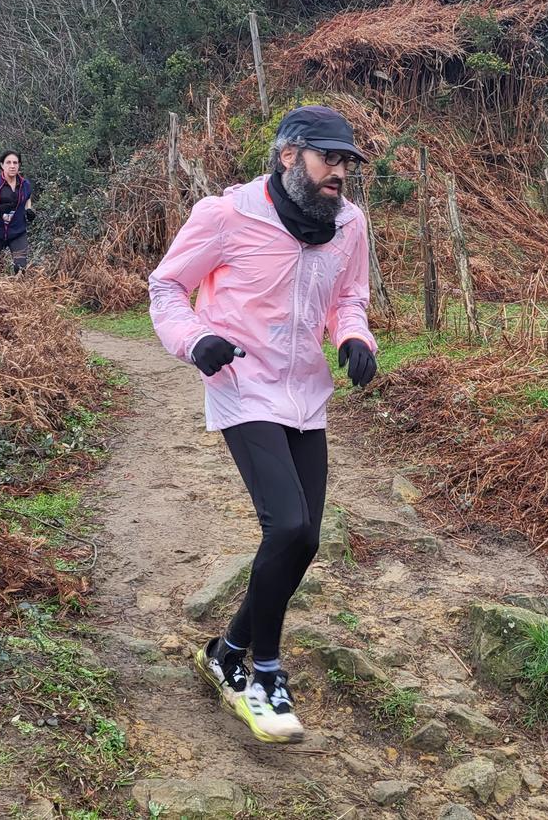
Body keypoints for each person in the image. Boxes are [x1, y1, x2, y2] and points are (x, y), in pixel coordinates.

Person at [148, 105, 378, 744]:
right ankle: (264, 676)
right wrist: (195, 340)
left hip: (306, 390)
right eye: (328, 158)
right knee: (290, 523)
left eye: (347, 162)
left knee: (305, 539)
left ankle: (225, 653)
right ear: (288, 156)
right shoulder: (226, 216)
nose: (340, 172)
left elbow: (349, 297)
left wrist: (355, 337)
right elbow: (166, 289)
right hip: (242, 384)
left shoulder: (349, 225)